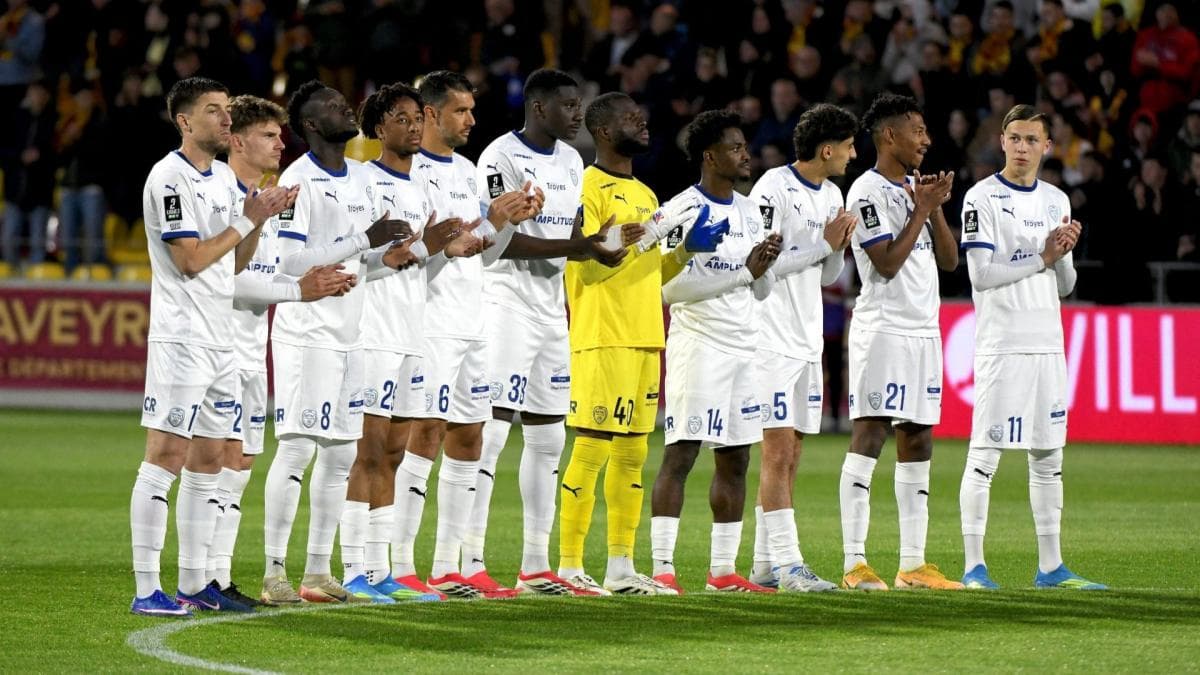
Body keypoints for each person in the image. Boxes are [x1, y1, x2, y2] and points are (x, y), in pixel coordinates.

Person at [130, 77, 293, 617]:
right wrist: (249, 218)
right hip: (182, 338)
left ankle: (197, 582)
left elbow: (236, 262)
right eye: (214, 111)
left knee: (210, 462)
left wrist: (258, 216)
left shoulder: (223, 179)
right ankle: (146, 587)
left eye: (227, 111)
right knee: (166, 457)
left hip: (221, 340)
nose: (226, 120)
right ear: (184, 121)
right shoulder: (170, 179)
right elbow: (191, 260)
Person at [558, 91, 727, 596]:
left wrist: (682, 252)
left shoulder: (650, 195)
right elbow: (585, 262)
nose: (644, 123)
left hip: (646, 334)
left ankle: (621, 567)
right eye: (632, 118)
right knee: (590, 448)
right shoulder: (586, 186)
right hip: (602, 334)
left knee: (632, 456)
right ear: (605, 131)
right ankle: (568, 567)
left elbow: (651, 276)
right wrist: (628, 239)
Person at [465, 69, 620, 596]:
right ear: (537, 107)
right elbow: (497, 244)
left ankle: (535, 566)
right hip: (505, 301)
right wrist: (575, 249)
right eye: (568, 106)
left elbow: (568, 233)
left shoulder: (573, 161)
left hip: (552, 307)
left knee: (549, 435)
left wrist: (597, 244)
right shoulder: (499, 158)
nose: (578, 114)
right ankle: (469, 561)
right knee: (490, 434)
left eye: (579, 105)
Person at [260, 80, 414, 605]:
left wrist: (385, 260)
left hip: (352, 333)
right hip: (307, 334)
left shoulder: (359, 179)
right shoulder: (297, 181)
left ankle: (318, 572)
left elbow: (359, 260)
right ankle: (274, 571)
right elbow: (287, 262)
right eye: (330, 106)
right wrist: (363, 242)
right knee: (299, 448)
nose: (343, 107)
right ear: (308, 125)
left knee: (340, 453)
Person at [390, 70, 543, 600]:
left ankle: (450, 566)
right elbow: (409, 258)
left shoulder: (469, 171)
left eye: (472, 110)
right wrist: (483, 227)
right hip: (429, 322)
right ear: (431, 114)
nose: (471, 120)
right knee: (424, 434)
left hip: (473, 319)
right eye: (461, 111)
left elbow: (486, 252)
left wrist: (503, 222)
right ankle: (401, 565)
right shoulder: (409, 175)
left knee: (469, 438)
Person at [958, 104, 1104, 591]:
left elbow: (1064, 284)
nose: (1022, 147)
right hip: (1002, 344)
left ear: (1047, 146)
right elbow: (981, 274)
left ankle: (1051, 567)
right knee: (986, 455)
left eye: (1031, 140)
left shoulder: (1056, 198)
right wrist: (1041, 255)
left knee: (1048, 457)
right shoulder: (981, 197)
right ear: (1002, 141)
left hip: (1047, 343)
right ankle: (974, 567)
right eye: (1014, 138)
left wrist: (1062, 254)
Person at [214, 94, 353, 607]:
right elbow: (229, 278)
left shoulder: (267, 196)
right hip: (221, 348)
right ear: (238, 140)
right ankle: (228, 575)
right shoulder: (223, 195)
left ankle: (222, 580)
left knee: (240, 463)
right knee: (210, 465)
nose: (280, 143)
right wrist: (301, 290)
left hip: (253, 348)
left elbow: (275, 269)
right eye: (269, 135)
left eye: (280, 134)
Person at [341, 81, 474, 603]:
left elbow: (420, 262)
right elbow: (353, 260)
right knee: (369, 452)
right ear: (379, 129)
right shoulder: (362, 183)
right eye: (402, 118)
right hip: (373, 330)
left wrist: (445, 248)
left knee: (395, 452)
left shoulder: (421, 188)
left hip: (412, 330)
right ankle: (353, 568)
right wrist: (414, 249)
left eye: (418, 118)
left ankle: (380, 570)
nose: (415, 126)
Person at [648, 110, 782, 594]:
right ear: (710, 156)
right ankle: (662, 569)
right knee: (681, 453)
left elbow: (759, 291)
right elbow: (665, 290)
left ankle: (722, 572)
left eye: (745, 146)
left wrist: (764, 266)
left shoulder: (750, 211)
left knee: (736, 459)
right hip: (699, 346)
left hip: (744, 348)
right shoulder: (679, 210)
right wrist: (745, 271)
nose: (745, 154)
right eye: (735, 147)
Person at [839, 93, 961, 591]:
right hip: (884, 328)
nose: (926, 141)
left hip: (923, 331)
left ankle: (913, 565)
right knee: (870, 435)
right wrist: (920, 210)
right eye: (918, 130)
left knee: (918, 436)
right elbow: (886, 263)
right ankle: (854, 564)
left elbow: (951, 262)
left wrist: (931, 210)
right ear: (890, 136)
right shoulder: (865, 192)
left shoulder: (916, 189)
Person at [746, 103, 857, 593]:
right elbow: (763, 266)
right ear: (827, 148)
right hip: (771, 338)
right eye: (849, 147)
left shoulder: (833, 193)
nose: (854, 155)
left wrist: (837, 247)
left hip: (806, 338)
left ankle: (764, 565)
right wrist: (824, 243)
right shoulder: (774, 188)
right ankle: (791, 566)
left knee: (792, 453)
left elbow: (827, 274)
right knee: (775, 452)